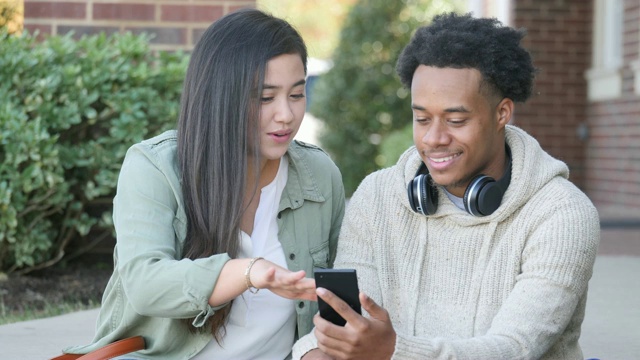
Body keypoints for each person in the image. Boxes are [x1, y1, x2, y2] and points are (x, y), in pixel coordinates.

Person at [293, 12, 599, 360]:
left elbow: (514, 349)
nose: (434, 138)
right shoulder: (378, 196)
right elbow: (348, 326)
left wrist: (392, 351)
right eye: (421, 118)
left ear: (502, 114)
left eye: (455, 120)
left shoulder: (562, 215)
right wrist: (318, 350)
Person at [60, 8, 345, 359]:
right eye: (265, 98)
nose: (285, 115)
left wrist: (315, 350)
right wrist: (249, 273)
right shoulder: (156, 167)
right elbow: (145, 285)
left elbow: (338, 303)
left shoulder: (319, 175)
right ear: (221, 96)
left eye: (297, 94)